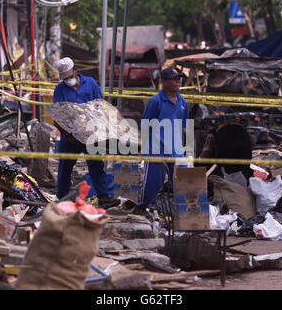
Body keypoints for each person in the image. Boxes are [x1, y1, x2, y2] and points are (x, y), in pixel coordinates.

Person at [53, 57, 118, 208]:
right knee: (65, 167)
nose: (68, 80)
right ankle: (62, 199)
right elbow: (58, 114)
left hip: (90, 134)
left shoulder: (90, 83)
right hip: (70, 136)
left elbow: (100, 105)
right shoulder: (60, 90)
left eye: (70, 76)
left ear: (76, 70)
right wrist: (68, 131)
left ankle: (104, 197)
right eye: (65, 78)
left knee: (96, 165)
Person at [132, 68, 189, 217]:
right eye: (174, 78)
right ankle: (141, 206)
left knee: (181, 180)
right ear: (163, 82)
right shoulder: (156, 101)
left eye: (179, 78)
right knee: (154, 182)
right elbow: (145, 125)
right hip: (157, 148)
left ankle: (184, 211)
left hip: (176, 149)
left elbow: (183, 126)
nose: (178, 81)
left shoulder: (183, 102)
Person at [199, 119, 255, 186]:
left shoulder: (212, 133)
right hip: (244, 158)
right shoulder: (243, 130)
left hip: (226, 163)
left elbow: (205, 155)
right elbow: (252, 144)